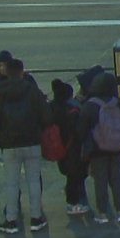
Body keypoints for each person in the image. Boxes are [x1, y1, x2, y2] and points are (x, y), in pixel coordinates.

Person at [0, 58, 52, 233]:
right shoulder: (32, 90)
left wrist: (0, 140)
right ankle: (36, 218)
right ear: (22, 72)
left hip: (9, 144)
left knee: (11, 183)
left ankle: (11, 220)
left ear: (6, 72)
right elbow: (46, 117)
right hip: (31, 142)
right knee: (34, 180)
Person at [78, 72, 120, 223]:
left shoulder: (90, 104)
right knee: (116, 179)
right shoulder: (117, 102)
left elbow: (81, 130)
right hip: (117, 147)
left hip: (97, 149)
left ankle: (102, 213)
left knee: (100, 180)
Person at [48, 79, 89, 217]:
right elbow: (78, 131)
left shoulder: (52, 108)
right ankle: (73, 203)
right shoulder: (72, 111)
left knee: (69, 172)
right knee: (74, 174)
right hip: (73, 148)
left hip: (60, 146)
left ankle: (73, 195)